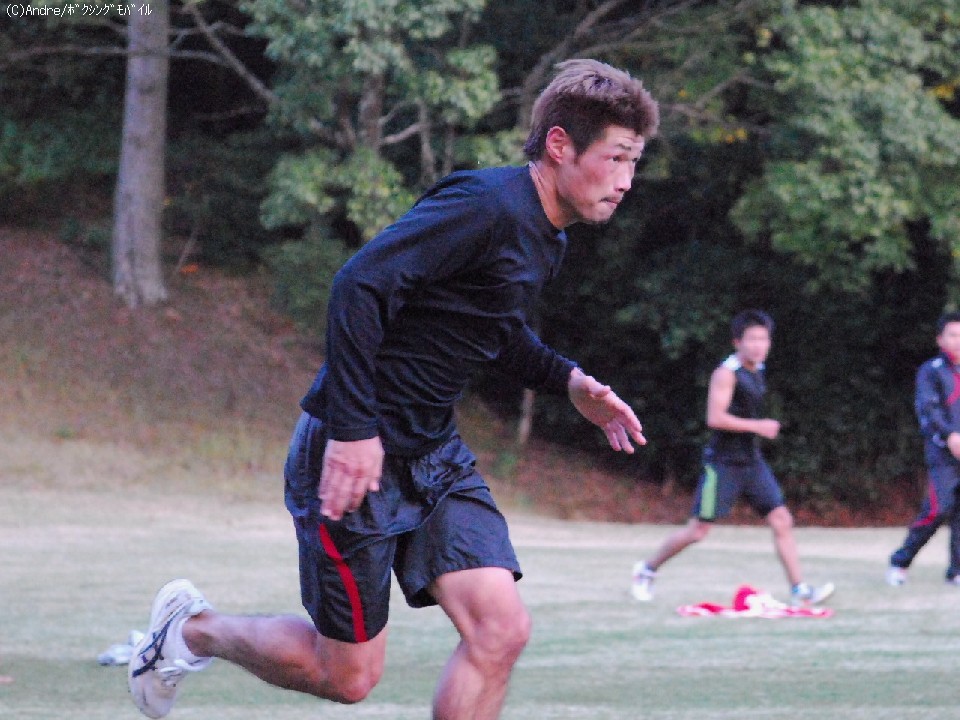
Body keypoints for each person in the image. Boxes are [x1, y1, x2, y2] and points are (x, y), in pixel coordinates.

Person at [127, 59, 659, 720]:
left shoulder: (546, 240)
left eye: (634, 163)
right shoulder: (486, 205)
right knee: (347, 676)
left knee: (501, 631)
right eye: (616, 158)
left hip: (432, 454)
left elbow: (490, 328)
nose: (626, 181)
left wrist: (568, 380)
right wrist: (354, 432)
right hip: (351, 452)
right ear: (559, 144)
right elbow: (359, 285)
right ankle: (191, 630)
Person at [631, 310, 834, 607]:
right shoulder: (726, 373)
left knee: (781, 520)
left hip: (751, 461)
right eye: (752, 339)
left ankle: (799, 590)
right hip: (723, 464)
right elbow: (715, 418)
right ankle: (646, 571)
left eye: (763, 339)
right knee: (698, 530)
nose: (759, 345)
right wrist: (758, 426)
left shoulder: (758, 369)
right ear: (737, 342)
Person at [887, 311, 960, 586]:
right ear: (940, 339)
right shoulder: (931, 371)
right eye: (953, 335)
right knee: (937, 509)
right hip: (943, 452)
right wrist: (950, 435)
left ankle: (956, 571)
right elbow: (929, 409)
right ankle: (900, 562)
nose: (958, 341)